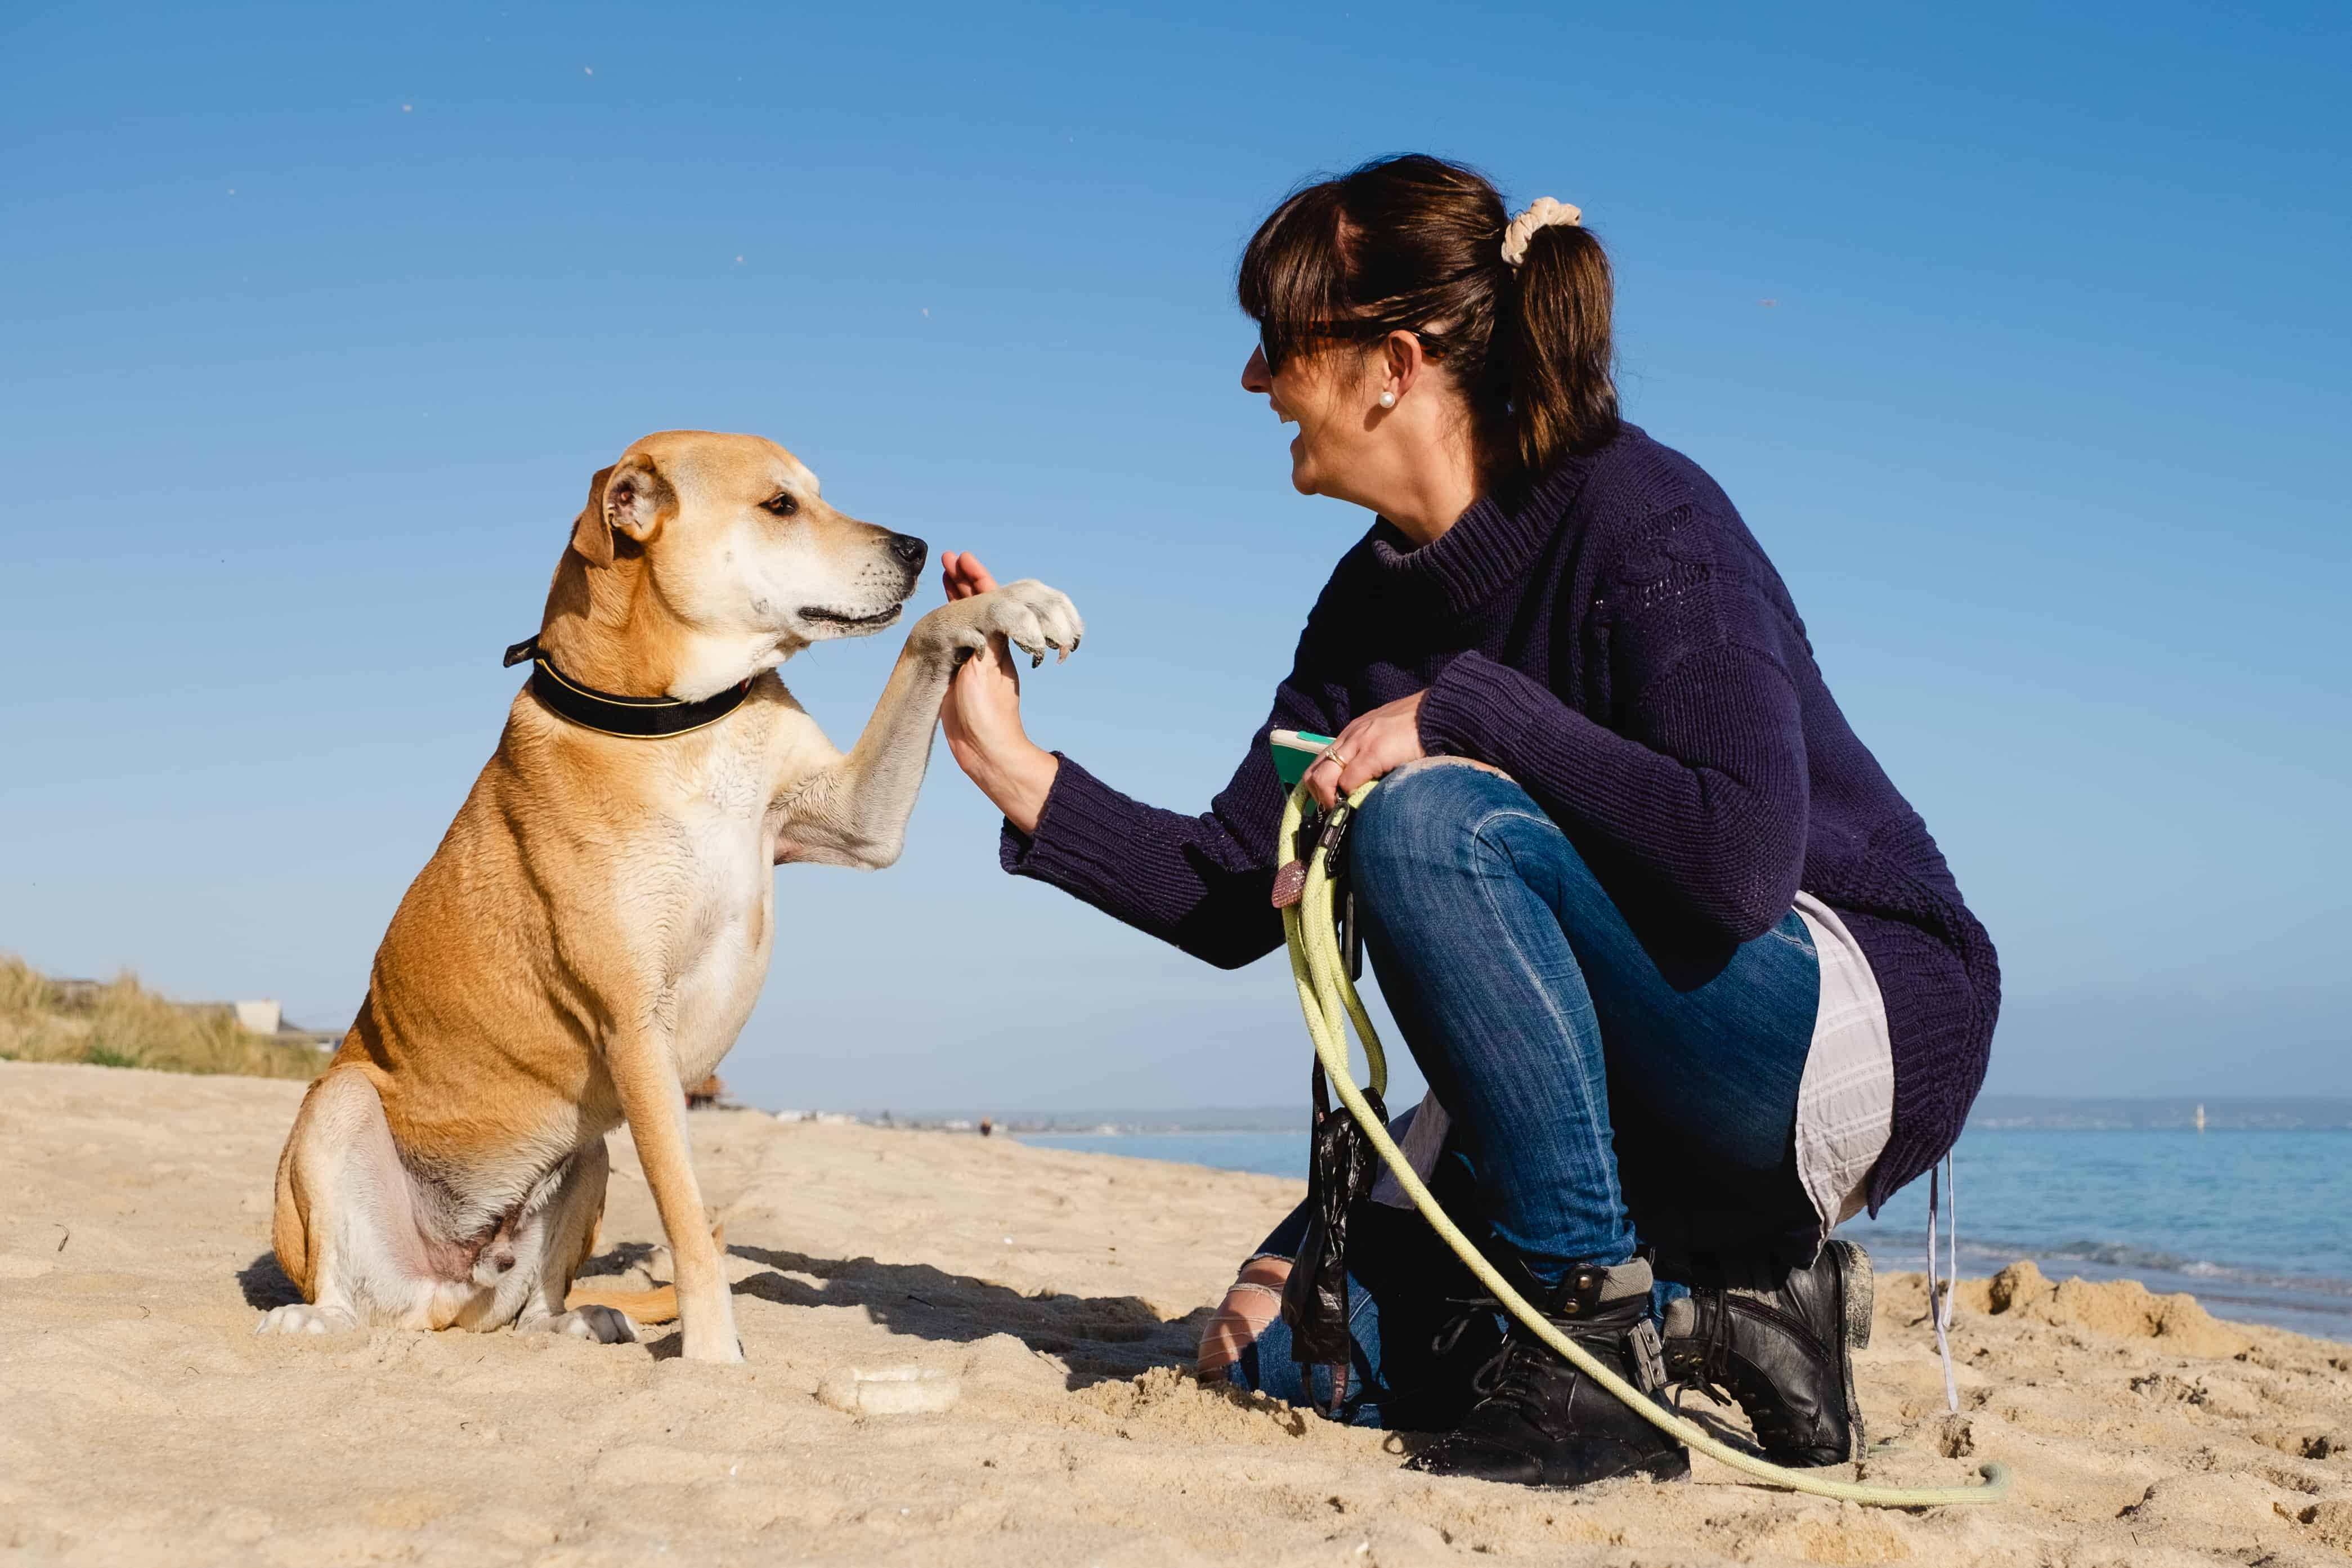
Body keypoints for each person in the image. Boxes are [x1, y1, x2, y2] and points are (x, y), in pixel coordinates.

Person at [935, 154, 1998, 1489]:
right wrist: (1011, 766)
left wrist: (1469, 713)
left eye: (1276, 342)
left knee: (1424, 818)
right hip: (1621, 1069)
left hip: (1844, 1018)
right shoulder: (1361, 609)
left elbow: (1737, 861)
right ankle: (1720, 1303)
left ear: (1390, 363)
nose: (1253, 382)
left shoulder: (1647, 514)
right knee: (1272, 1352)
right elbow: (1228, 891)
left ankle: (1586, 1352)